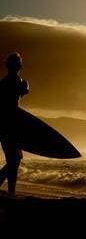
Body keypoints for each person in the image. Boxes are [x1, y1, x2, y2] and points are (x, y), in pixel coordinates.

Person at [0, 53, 29, 195]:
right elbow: (23, 90)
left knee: (14, 160)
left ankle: (11, 192)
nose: (19, 66)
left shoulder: (6, 81)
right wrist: (26, 85)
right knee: (14, 160)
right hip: (9, 127)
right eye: (18, 64)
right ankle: (10, 192)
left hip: (8, 126)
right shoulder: (12, 81)